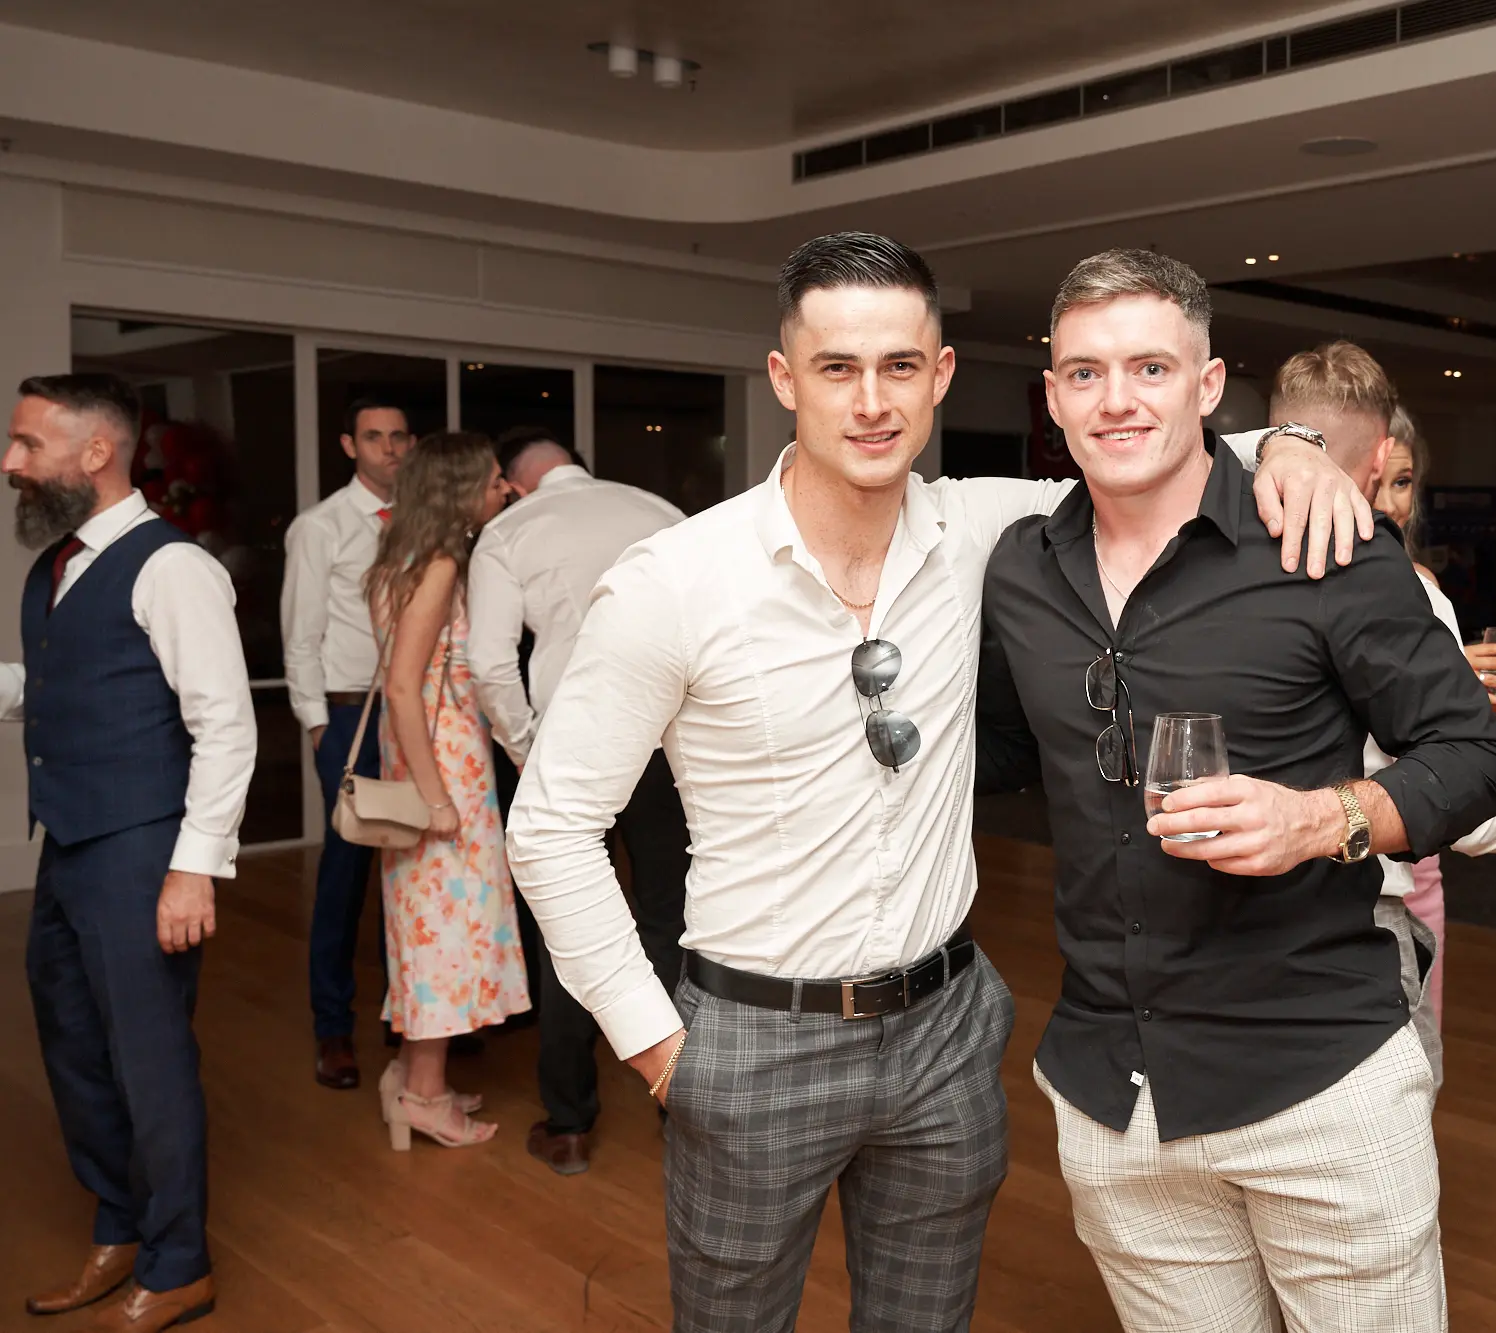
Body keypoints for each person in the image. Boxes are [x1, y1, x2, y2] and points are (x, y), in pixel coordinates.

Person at [503, 231, 1366, 1332]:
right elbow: (553, 827)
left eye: (899, 366)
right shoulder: (673, 583)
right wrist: (659, 1046)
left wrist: (1292, 442)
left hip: (944, 1034)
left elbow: (1149, 437)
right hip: (752, 1040)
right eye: (837, 367)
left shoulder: (978, 527)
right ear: (784, 379)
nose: (871, 402)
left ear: (940, 375)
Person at [974, 251, 1496, 1331]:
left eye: (1150, 367)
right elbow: (994, 756)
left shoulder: (1324, 542)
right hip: (1114, 1098)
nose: (1117, 399)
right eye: (1084, 373)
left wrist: (1322, 818)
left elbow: (1475, 754)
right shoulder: (1020, 569)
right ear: (1052, 398)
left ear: (1209, 384)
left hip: (1318, 1084)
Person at [1244, 350, 1496, 1046]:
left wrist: (1461, 718)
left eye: (1409, 484)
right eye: (1391, 477)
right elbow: (1455, 809)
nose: (1393, 500)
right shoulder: (1398, 592)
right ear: (1377, 459)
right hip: (1353, 923)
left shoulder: (1211, 569)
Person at [4, 373, 256, 1332]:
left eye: (28, 443)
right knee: (73, 1045)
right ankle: (120, 1223)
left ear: (97, 452)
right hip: (68, 843)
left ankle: (180, 1261)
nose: (10, 461)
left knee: (148, 1061)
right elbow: (69, 677)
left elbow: (225, 725)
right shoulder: (57, 566)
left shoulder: (173, 566)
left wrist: (193, 869)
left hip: (143, 850)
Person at [466, 425, 690, 1176]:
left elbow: (490, 665)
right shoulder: (657, 510)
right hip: (665, 742)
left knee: (569, 920)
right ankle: (683, 1106)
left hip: (571, 743)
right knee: (671, 918)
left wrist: (527, 747)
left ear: (513, 482)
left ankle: (567, 1122)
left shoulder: (508, 531)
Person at [368, 431, 530, 1150]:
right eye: (494, 479)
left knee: (428, 930)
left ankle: (412, 1075)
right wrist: (436, 798)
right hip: (441, 769)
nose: (505, 488)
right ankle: (424, 1098)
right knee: (445, 937)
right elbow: (404, 687)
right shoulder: (436, 565)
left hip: (427, 762)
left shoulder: (403, 559)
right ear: (459, 490)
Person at [282, 395, 410, 1090]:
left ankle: (408, 1012)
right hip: (348, 718)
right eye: (374, 436)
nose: (389, 448)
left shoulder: (418, 521)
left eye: (398, 436)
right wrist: (316, 725)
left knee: (411, 869)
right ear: (349, 445)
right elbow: (300, 634)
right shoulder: (320, 526)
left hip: (413, 717)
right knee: (345, 873)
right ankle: (332, 1026)